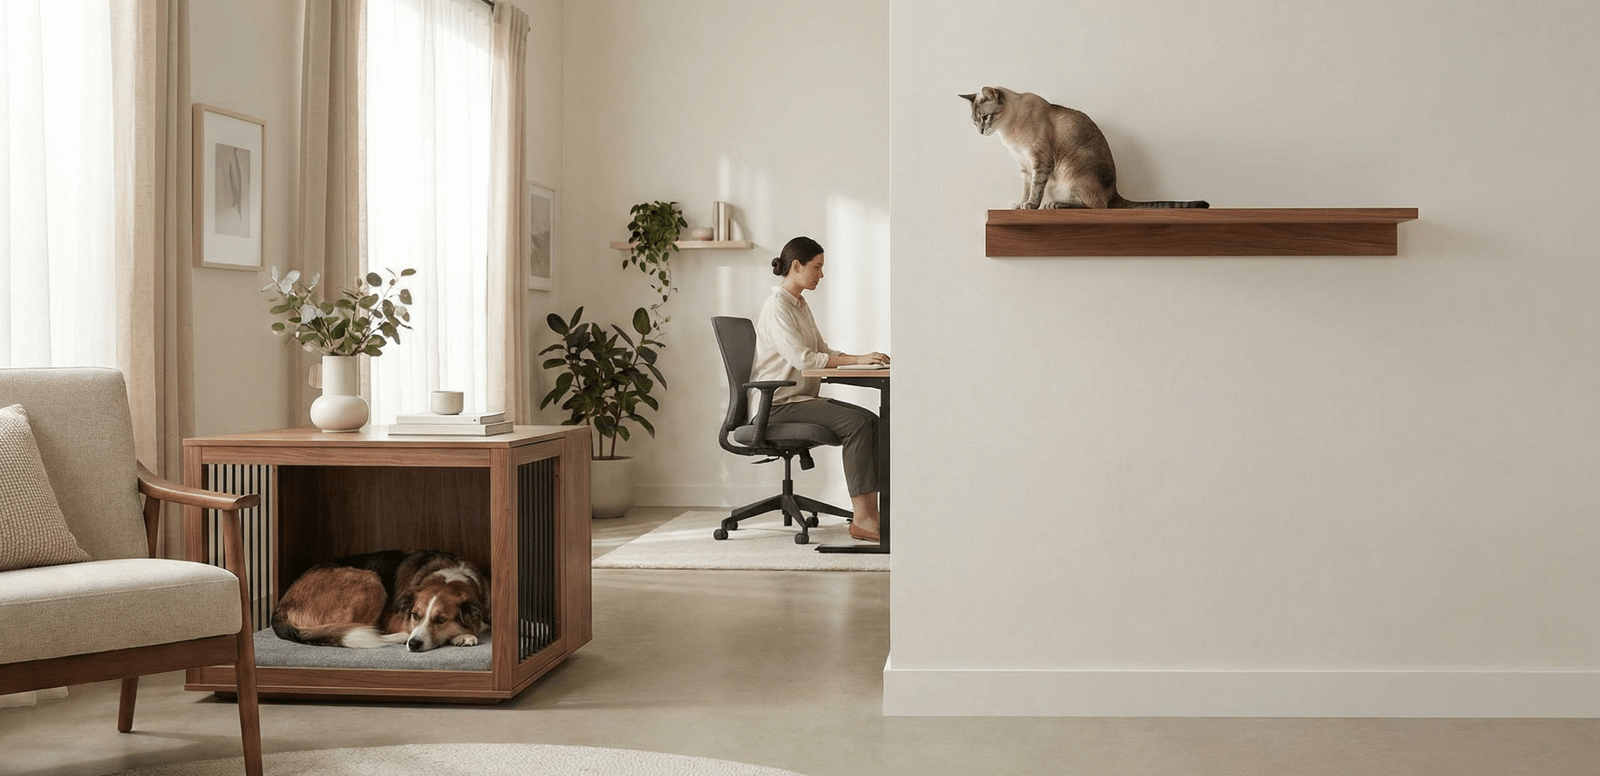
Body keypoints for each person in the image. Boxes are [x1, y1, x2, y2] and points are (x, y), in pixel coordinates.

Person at [751, 236, 890, 542]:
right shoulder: (777, 307)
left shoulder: (799, 304)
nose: (821, 274)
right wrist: (856, 359)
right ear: (796, 266)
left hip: (800, 397)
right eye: (817, 267)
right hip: (777, 404)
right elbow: (805, 359)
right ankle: (863, 520)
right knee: (855, 424)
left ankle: (873, 514)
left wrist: (863, 362)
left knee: (873, 421)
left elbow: (822, 350)